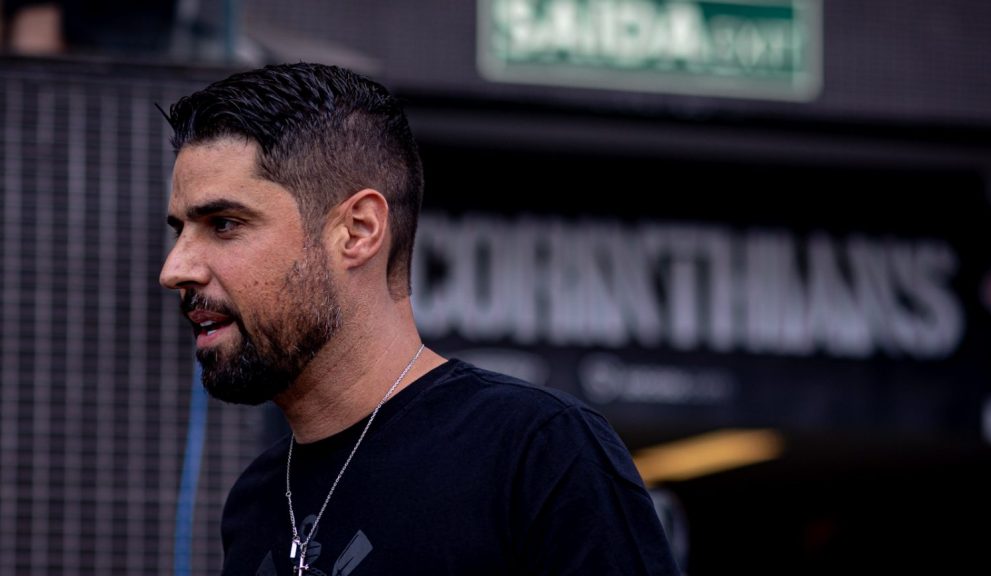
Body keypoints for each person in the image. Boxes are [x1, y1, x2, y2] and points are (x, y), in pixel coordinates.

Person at [160, 62, 680, 575]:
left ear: (358, 231)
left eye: (223, 224)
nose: (174, 269)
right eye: (179, 229)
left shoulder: (537, 452)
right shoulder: (254, 500)